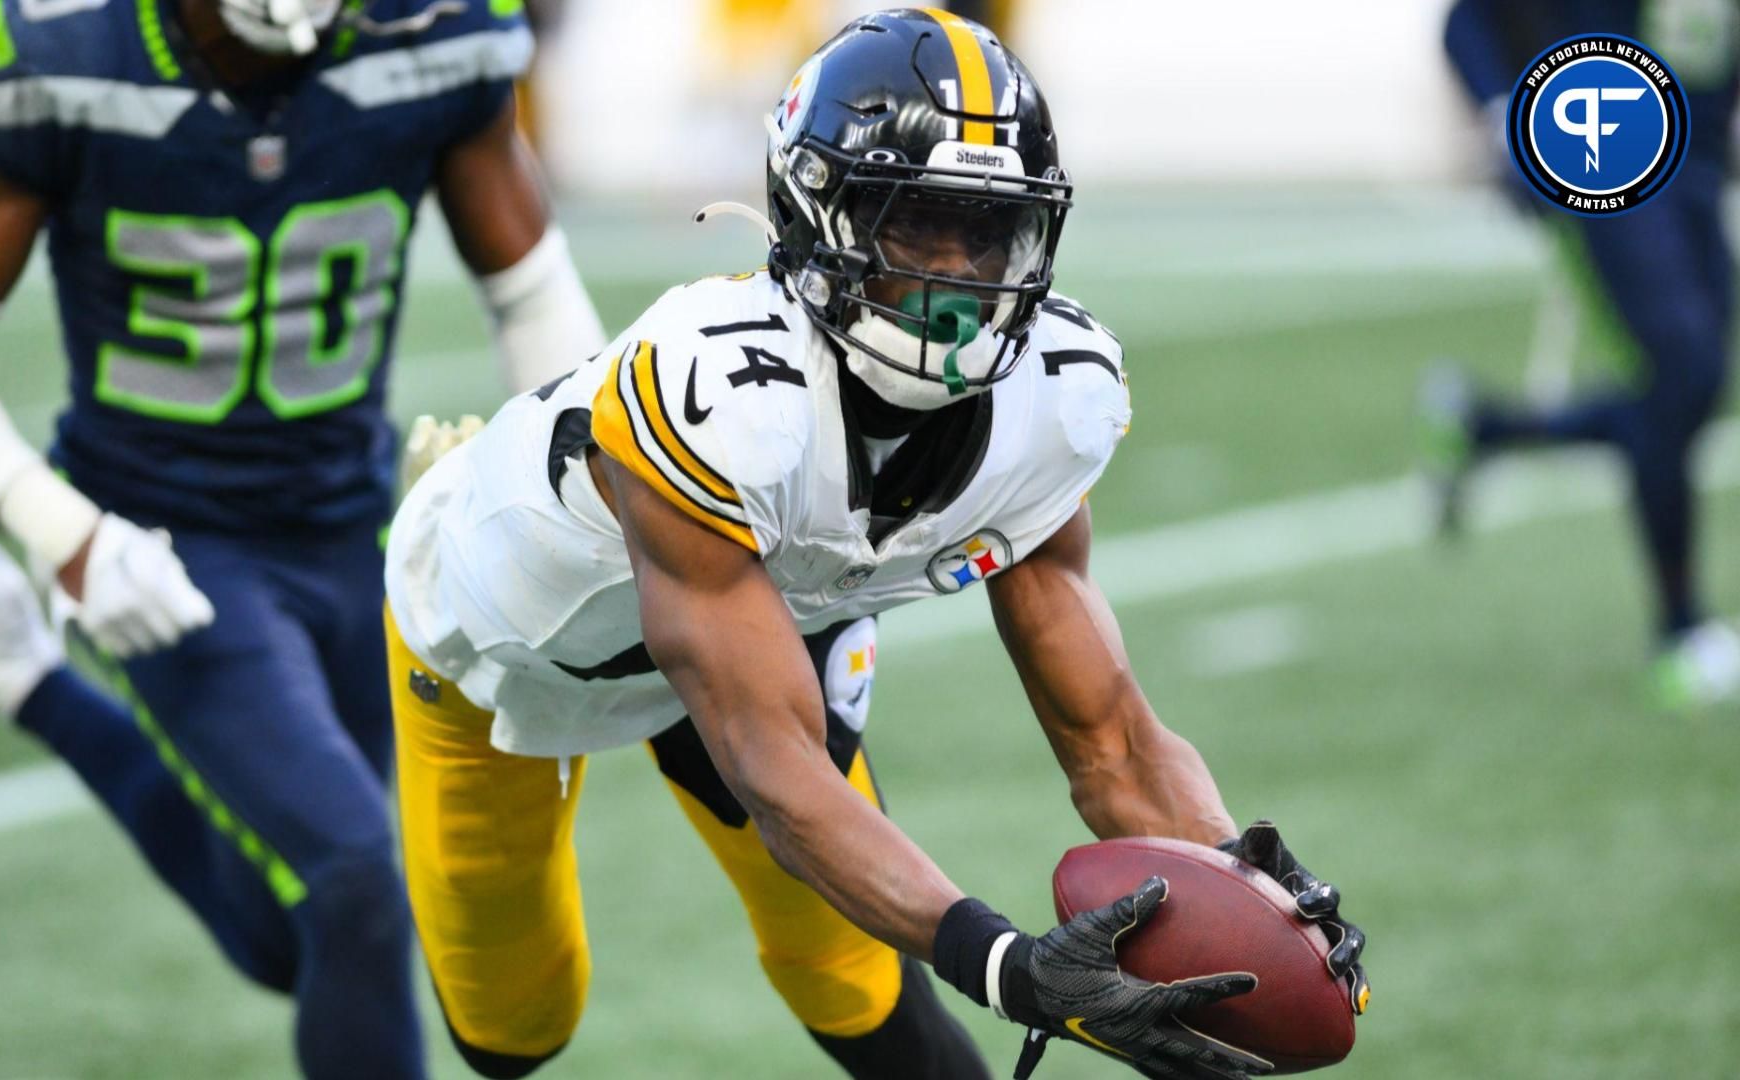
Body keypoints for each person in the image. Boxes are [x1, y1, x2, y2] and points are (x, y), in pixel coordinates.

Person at [382, 10, 1368, 1079]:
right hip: (503, 646)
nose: (958, 280)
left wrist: (1238, 878)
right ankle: (455, 491)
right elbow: (777, 774)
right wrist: (1005, 964)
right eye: (919, 228)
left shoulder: (1055, 395)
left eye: (987, 233)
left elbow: (1115, 745)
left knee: (851, 976)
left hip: (763, 617)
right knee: (517, 1025)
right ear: (820, 216)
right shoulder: (720, 387)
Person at [0, 0, 605, 1075]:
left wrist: (575, 494)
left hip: (351, 517)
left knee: (311, 930)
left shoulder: (429, 32)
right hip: (160, 539)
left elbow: (531, 290)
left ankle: (18, 675)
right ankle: (26, 646)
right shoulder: (63, 47)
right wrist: (70, 540)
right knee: (356, 883)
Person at [1429, 0, 1740, 707]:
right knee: (1685, 369)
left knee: (1692, 391)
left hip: (1700, 164)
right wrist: (1509, 121)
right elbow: (1468, 18)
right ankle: (1680, 631)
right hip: (1608, 153)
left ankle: (1487, 428)